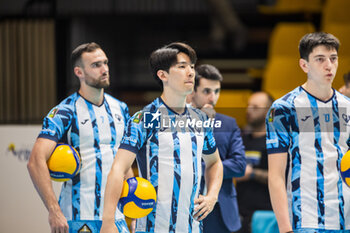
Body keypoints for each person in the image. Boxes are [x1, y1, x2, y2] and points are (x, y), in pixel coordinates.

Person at [100, 42, 223, 233]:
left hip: (193, 228)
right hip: (152, 228)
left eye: (191, 67)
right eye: (182, 66)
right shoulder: (145, 118)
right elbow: (118, 169)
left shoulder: (200, 120)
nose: (191, 72)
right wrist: (108, 221)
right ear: (162, 75)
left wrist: (212, 196)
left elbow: (215, 162)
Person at [27, 42, 132, 233]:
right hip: (78, 219)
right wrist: (54, 211)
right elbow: (35, 161)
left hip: (116, 219)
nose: (104, 69)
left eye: (105, 63)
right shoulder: (65, 111)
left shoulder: (121, 109)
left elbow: (124, 162)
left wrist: (130, 213)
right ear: (79, 72)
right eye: (96, 65)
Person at [266, 32, 350, 233]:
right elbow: (276, 175)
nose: (328, 65)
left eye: (333, 58)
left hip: (346, 218)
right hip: (306, 218)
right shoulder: (283, 109)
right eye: (320, 59)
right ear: (304, 65)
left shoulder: (347, 107)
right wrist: (285, 229)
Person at [188, 64, 246, 233]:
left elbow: (240, 165)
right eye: (207, 91)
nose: (213, 98)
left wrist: (211, 167)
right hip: (188, 206)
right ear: (193, 91)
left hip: (221, 210)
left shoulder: (229, 123)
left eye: (217, 91)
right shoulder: (177, 121)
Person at [236, 91, 274, 233]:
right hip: (241, 214)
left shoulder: (276, 142)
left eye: (256, 107)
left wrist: (252, 173)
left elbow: (283, 178)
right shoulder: (241, 140)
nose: (249, 110)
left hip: (266, 216)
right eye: (248, 105)